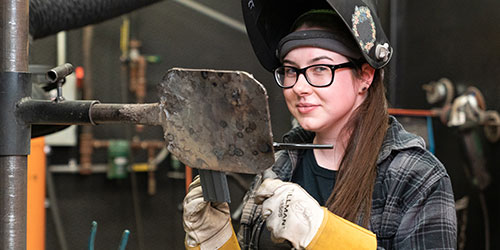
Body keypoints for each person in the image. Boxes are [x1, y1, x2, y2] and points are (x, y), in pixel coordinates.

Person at [182, 0, 457, 249]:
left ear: (365, 76)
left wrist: (324, 236)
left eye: (320, 69)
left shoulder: (416, 178)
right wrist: (217, 242)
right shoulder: (278, 165)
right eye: (291, 70)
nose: (300, 86)